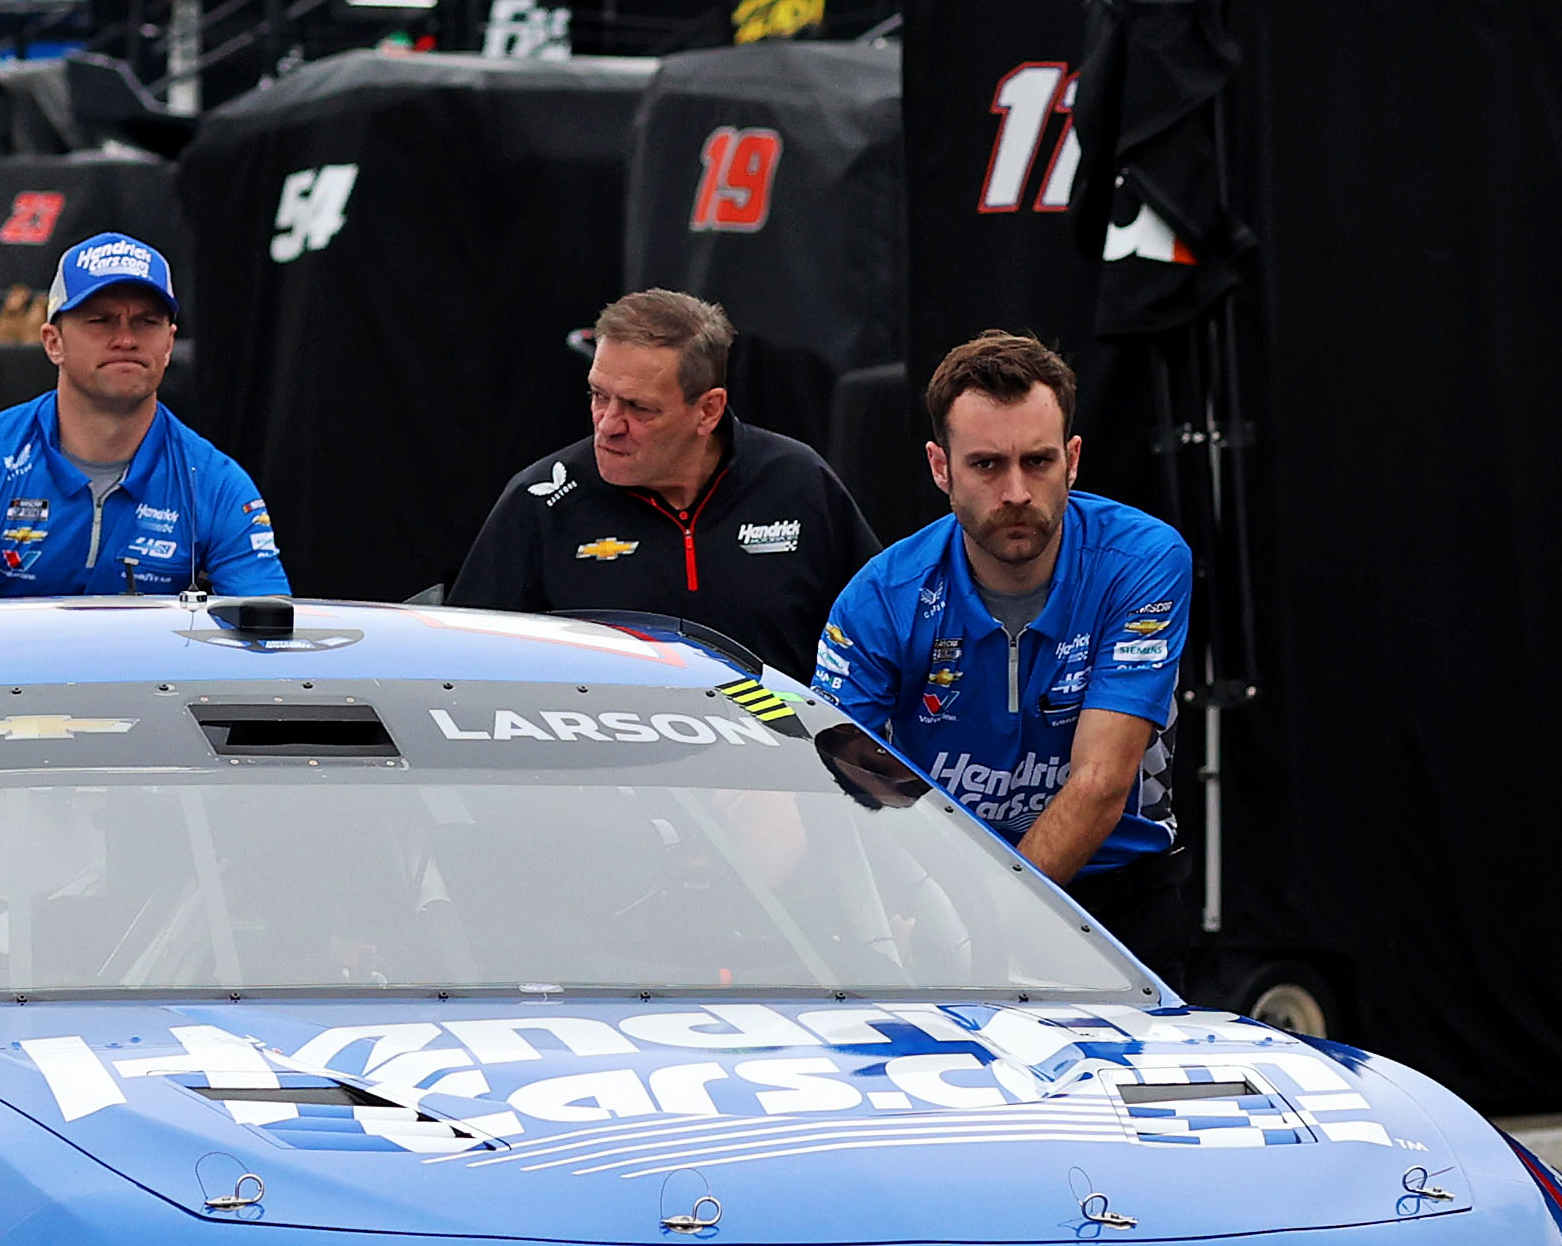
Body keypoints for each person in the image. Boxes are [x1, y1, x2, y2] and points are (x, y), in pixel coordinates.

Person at [808, 330, 1199, 962]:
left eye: (1038, 462)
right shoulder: (880, 598)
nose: (1015, 492)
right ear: (942, 468)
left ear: (1073, 459)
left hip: (1118, 900)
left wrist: (989, 929)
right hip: (940, 897)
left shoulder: (1143, 559)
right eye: (986, 464)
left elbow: (1099, 781)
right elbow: (842, 786)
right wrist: (909, 913)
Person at [451, 288, 872, 670]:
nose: (608, 425)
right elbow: (462, 666)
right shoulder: (541, 498)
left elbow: (882, 638)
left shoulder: (797, 481)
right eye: (599, 396)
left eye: (639, 408)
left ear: (708, 410)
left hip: (774, 750)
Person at [0, 234, 286, 600]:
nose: (126, 339)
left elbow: (268, 643)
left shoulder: (215, 482)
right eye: (100, 321)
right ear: (53, 342)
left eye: (146, 322)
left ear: (169, 343)